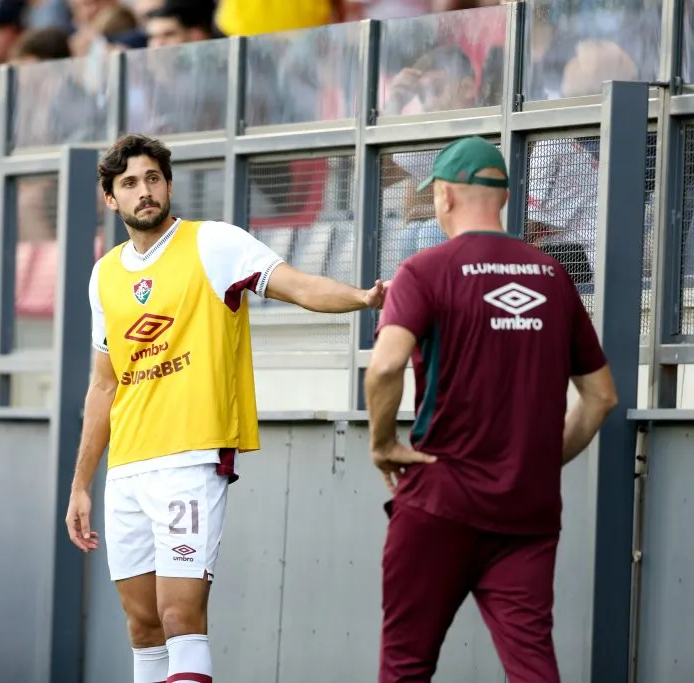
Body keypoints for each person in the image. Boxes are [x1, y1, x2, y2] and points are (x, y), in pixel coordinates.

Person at [65, 133, 387, 683]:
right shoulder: (104, 274)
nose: (144, 191)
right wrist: (80, 483)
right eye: (129, 184)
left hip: (191, 460)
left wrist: (361, 298)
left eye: (152, 179)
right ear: (110, 199)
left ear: (167, 184)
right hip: (127, 469)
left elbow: (298, 285)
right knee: (142, 625)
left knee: (179, 615)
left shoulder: (214, 244)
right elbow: (103, 385)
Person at [365, 136, 619, 683]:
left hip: (439, 502)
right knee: (532, 667)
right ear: (501, 198)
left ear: (447, 198)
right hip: (526, 511)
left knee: (405, 665)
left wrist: (383, 444)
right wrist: (540, 461)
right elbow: (601, 396)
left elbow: (384, 367)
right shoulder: (553, 276)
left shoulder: (424, 270)